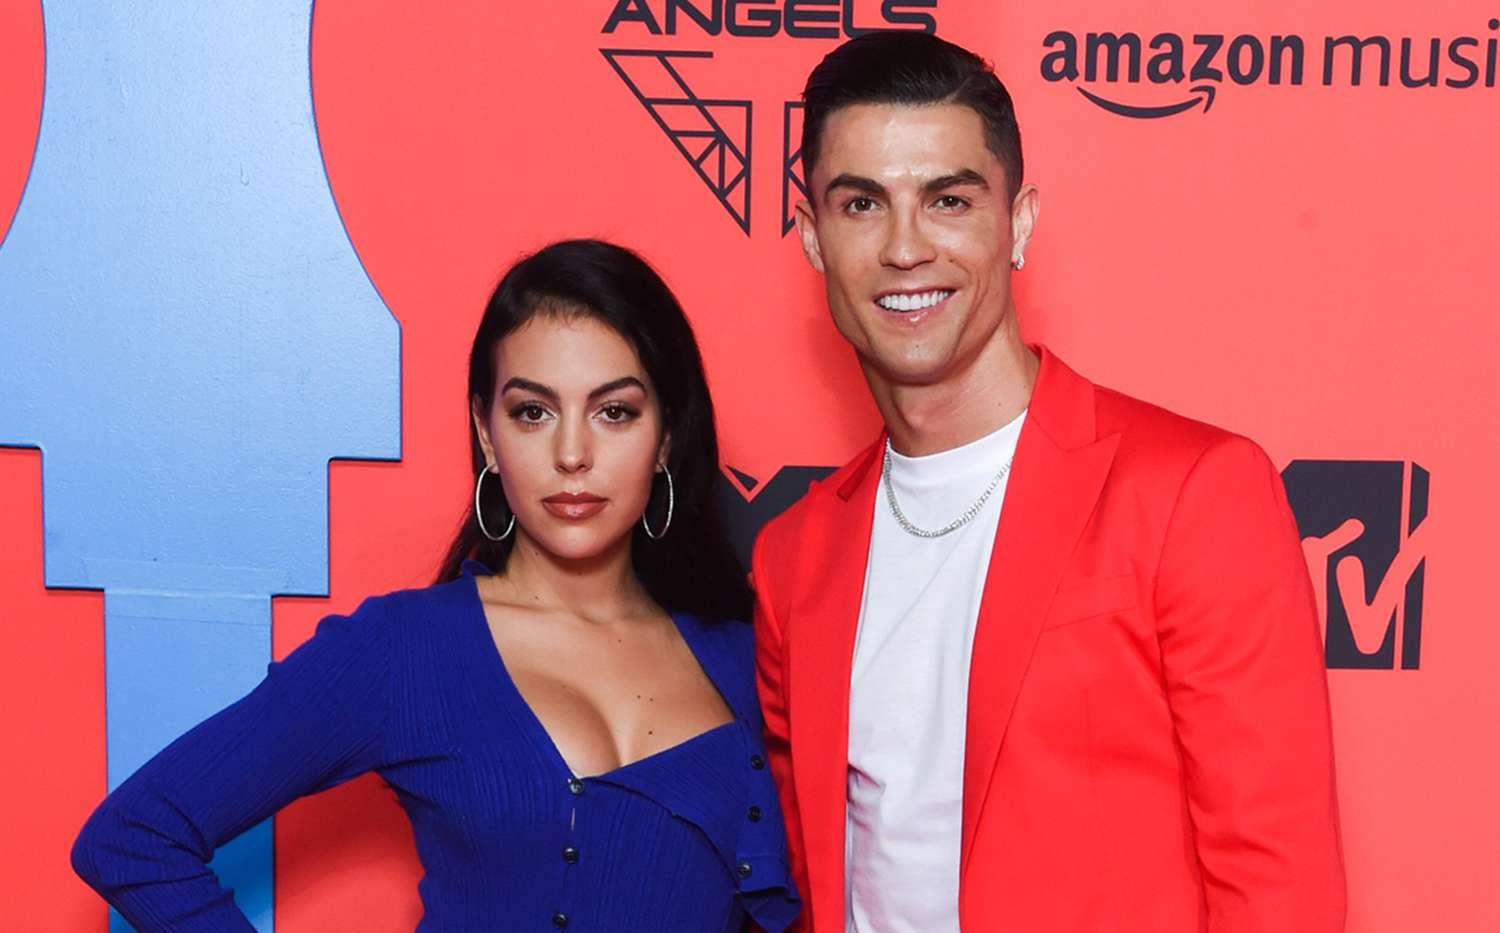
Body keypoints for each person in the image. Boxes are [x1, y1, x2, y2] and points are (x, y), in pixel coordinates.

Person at [752, 32, 1345, 933]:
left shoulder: (1191, 493)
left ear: (1019, 222)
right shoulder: (795, 555)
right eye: (862, 203)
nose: (905, 247)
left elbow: (1281, 888)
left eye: (948, 200)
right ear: (811, 236)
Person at [72, 239, 800, 933]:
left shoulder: (747, 655)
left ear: (665, 434)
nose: (572, 453)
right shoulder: (406, 650)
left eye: (614, 412)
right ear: (487, 433)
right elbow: (134, 838)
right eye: (533, 412)